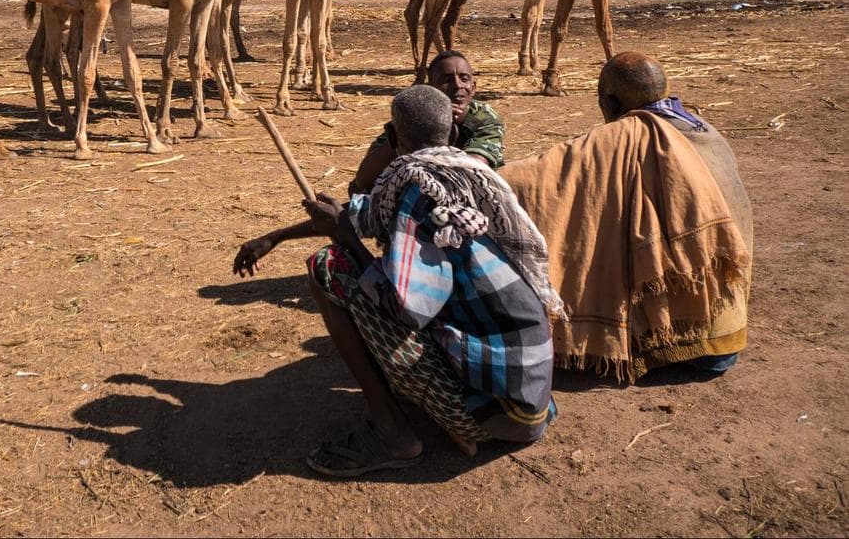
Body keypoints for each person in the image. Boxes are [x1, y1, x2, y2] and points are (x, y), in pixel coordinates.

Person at [235, 86, 560, 476]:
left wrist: (346, 241)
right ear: (452, 134)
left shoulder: (415, 195)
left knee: (331, 266)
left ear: (392, 139)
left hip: (496, 415)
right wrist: (276, 236)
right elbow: (360, 212)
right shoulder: (464, 176)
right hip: (530, 404)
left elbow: (404, 309)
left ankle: (393, 434)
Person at [499, 52, 751, 381]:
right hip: (730, 338)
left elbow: (539, 181)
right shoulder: (706, 131)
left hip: (687, 350)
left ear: (612, 102)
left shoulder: (621, 138)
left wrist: (465, 174)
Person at [349, 50, 503, 197]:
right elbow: (364, 179)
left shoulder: (483, 117)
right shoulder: (414, 114)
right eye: (447, 80)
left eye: (464, 78)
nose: (457, 85)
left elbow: (471, 173)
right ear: (431, 89)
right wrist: (409, 132)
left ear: (473, 87)